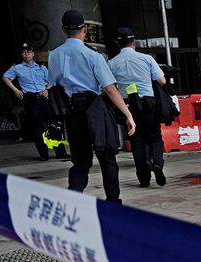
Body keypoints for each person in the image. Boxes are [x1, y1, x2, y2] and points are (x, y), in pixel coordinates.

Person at [48, 10, 135, 203]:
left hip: (72, 113)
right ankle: (113, 202)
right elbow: (110, 89)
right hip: (95, 110)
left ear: (63, 29)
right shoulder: (92, 55)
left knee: (80, 162)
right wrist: (127, 114)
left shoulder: (53, 56)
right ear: (85, 29)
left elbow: (52, 86)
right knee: (107, 158)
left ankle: (74, 196)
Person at [108, 27, 167, 187]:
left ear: (118, 44)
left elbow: (109, 86)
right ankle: (157, 164)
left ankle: (144, 177)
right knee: (154, 137)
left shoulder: (111, 63)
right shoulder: (147, 59)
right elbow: (162, 81)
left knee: (137, 141)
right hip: (148, 102)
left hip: (127, 105)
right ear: (134, 42)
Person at [3, 43, 68, 161]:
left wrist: (47, 89)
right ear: (21, 55)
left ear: (33, 54)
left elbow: (51, 80)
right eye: (24, 52)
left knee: (53, 125)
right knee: (38, 128)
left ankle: (60, 152)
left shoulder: (41, 67)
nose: (26, 54)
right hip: (31, 99)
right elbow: (5, 77)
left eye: (28, 52)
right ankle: (44, 154)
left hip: (44, 98)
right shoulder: (17, 68)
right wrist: (15, 90)